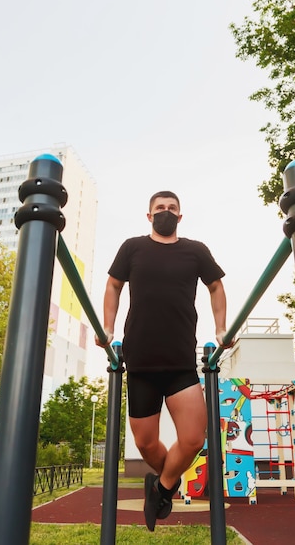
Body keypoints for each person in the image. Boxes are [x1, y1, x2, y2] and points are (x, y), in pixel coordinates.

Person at [96, 190, 230, 531]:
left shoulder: (195, 251)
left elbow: (216, 287)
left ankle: (163, 486)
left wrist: (221, 329)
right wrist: (107, 329)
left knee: (192, 439)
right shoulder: (133, 247)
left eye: (171, 208)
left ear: (180, 216)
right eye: (160, 208)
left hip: (180, 360)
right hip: (140, 360)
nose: (165, 212)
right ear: (149, 215)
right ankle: (167, 482)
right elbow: (113, 285)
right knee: (145, 442)